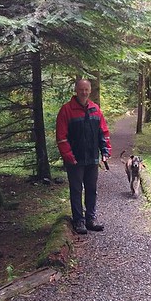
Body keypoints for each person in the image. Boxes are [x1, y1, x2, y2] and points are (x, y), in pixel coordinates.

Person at [56, 78, 112, 234]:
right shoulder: (66, 110)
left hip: (92, 158)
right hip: (75, 159)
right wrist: (69, 156)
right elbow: (61, 137)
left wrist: (105, 151)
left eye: (86, 89)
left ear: (90, 91)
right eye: (81, 89)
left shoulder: (95, 109)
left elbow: (103, 133)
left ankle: (90, 219)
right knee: (76, 189)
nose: (84, 92)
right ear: (76, 90)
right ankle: (78, 221)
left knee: (91, 189)